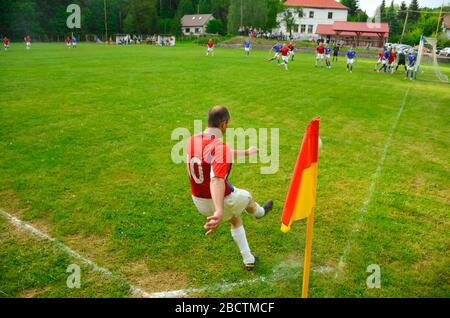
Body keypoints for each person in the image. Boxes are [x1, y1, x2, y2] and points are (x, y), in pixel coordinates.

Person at [186, 106, 273, 270]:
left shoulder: (193, 140)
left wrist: (246, 152)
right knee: (246, 199)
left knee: (233, 217)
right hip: (220, 200)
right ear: (223, 124)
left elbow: (218, 154)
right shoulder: (219, 146)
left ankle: (249, 259)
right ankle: (261, 213)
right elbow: (217, 180)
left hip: (198, 201)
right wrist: (218, 210)